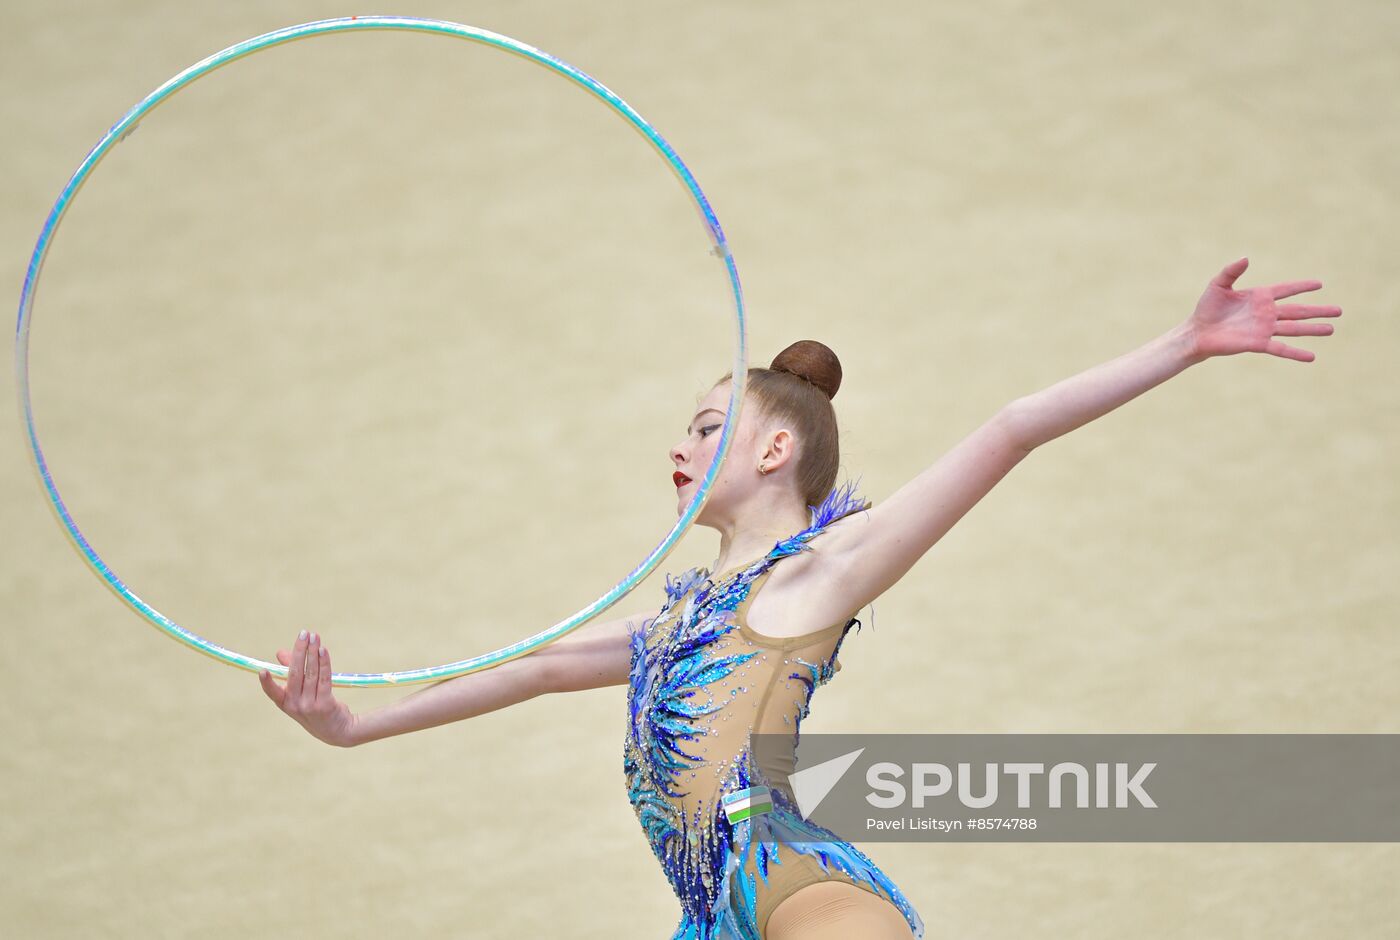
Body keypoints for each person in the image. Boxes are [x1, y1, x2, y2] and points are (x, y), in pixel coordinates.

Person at [258, 256, 1339, 938]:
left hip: (794, 886)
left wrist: (1181, 344)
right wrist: (357, 726)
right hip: (705, 916)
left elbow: (1011, 426)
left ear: (774, 447)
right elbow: (537, 666)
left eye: (700, 425)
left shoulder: (828, 567)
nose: (674, 445)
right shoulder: (678, 622)